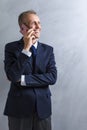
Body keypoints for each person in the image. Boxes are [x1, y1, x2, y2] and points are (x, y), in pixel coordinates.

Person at [4, 10, 57, 130]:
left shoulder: (48, 50)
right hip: (18, 109)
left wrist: (23, 79)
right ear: (23, 28)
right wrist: (26, 49)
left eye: (39, 23)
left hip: (43, 109)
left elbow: (52, 77)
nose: (38, 27)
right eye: (34, 23)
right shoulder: (11, 48)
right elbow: (12, 76)